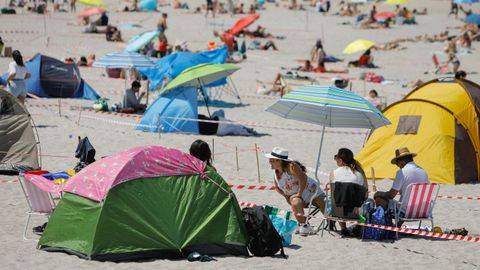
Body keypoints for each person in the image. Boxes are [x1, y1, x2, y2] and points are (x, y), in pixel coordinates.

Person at [266, 147, 326, 236]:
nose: (269, 162)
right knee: (295, 202)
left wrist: (299, 194)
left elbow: (304, 179)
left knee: (323, 203)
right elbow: (278, 188)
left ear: (279, 161)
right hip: (296, 194)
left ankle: (331, 222)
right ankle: (304, 226)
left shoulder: (292, 167)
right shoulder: (275, 172)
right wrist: (287, 197)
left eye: (272, 160)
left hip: (311, 190)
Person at [329, 148, 367, 235]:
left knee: (337, 198)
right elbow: (365, 194)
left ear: (340, 160)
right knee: (368, 202)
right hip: (355, 213)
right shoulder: (360, 174)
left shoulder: (333, 173)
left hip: (337, 212)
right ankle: (358, 226)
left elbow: (334, 194)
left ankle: (343, 228)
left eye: (336, 158)